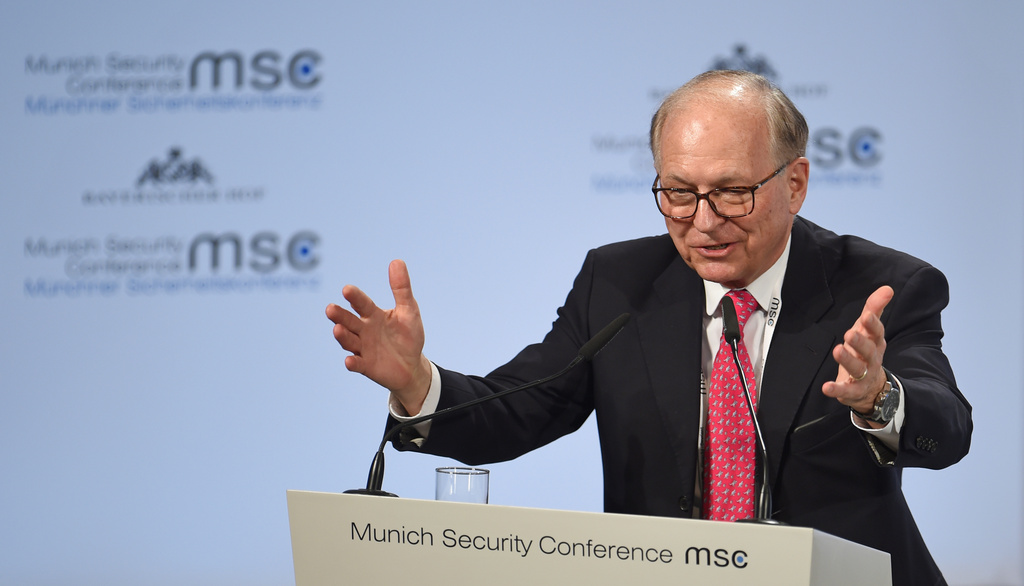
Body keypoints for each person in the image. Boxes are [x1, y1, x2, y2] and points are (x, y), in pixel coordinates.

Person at [326, 70, 972, 586]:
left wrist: (879, 398)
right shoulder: (619, 282)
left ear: (795, 183)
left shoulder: (881, 286)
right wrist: (418, 384)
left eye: (733, 192)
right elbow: (523, 407)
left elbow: (947, 429)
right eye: (678, 193)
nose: (704, 221)